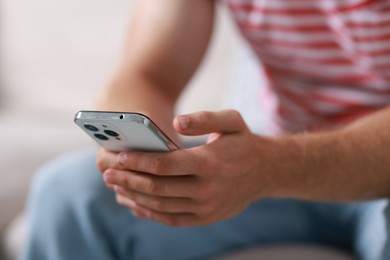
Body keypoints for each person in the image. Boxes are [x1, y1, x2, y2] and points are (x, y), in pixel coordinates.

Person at [22, 0, 390, 259]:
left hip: (373, 177)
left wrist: (270, 167)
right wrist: (142, 152)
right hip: (275, 160)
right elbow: (149, 73)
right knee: (67, 195)